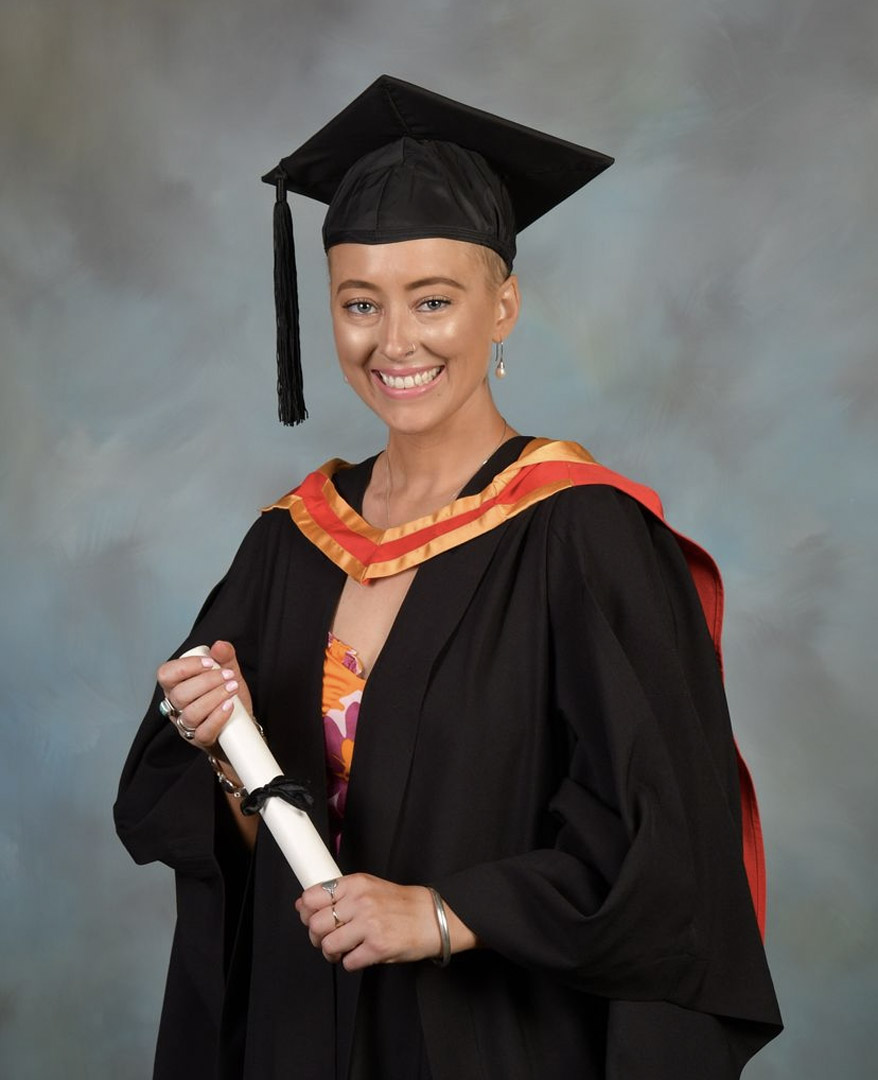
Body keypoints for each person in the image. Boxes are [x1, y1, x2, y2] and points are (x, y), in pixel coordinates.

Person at [114, 76, 781, 1079]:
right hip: (303, 1038)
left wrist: (439, 913)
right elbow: (246, 862)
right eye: (357, 304)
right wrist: (225, 753)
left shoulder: (580, 535)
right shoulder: (287, 545)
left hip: (491, 1042)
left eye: (433, 299)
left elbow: (663, 853)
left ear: (502, 302)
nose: (394, 342)